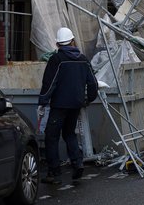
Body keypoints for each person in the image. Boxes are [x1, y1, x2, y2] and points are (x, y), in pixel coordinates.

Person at [38, 27, 99, 185]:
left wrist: (43, 102)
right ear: (73, 41)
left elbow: (49, 83)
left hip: (59, 105)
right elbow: (93, 83)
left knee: (51, 136)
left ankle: (54, 172)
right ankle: (77, 163)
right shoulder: (83, 59)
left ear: (58, 44)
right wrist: (89, 99)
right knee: (69, 133)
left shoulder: (56, 60)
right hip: (76, 104)